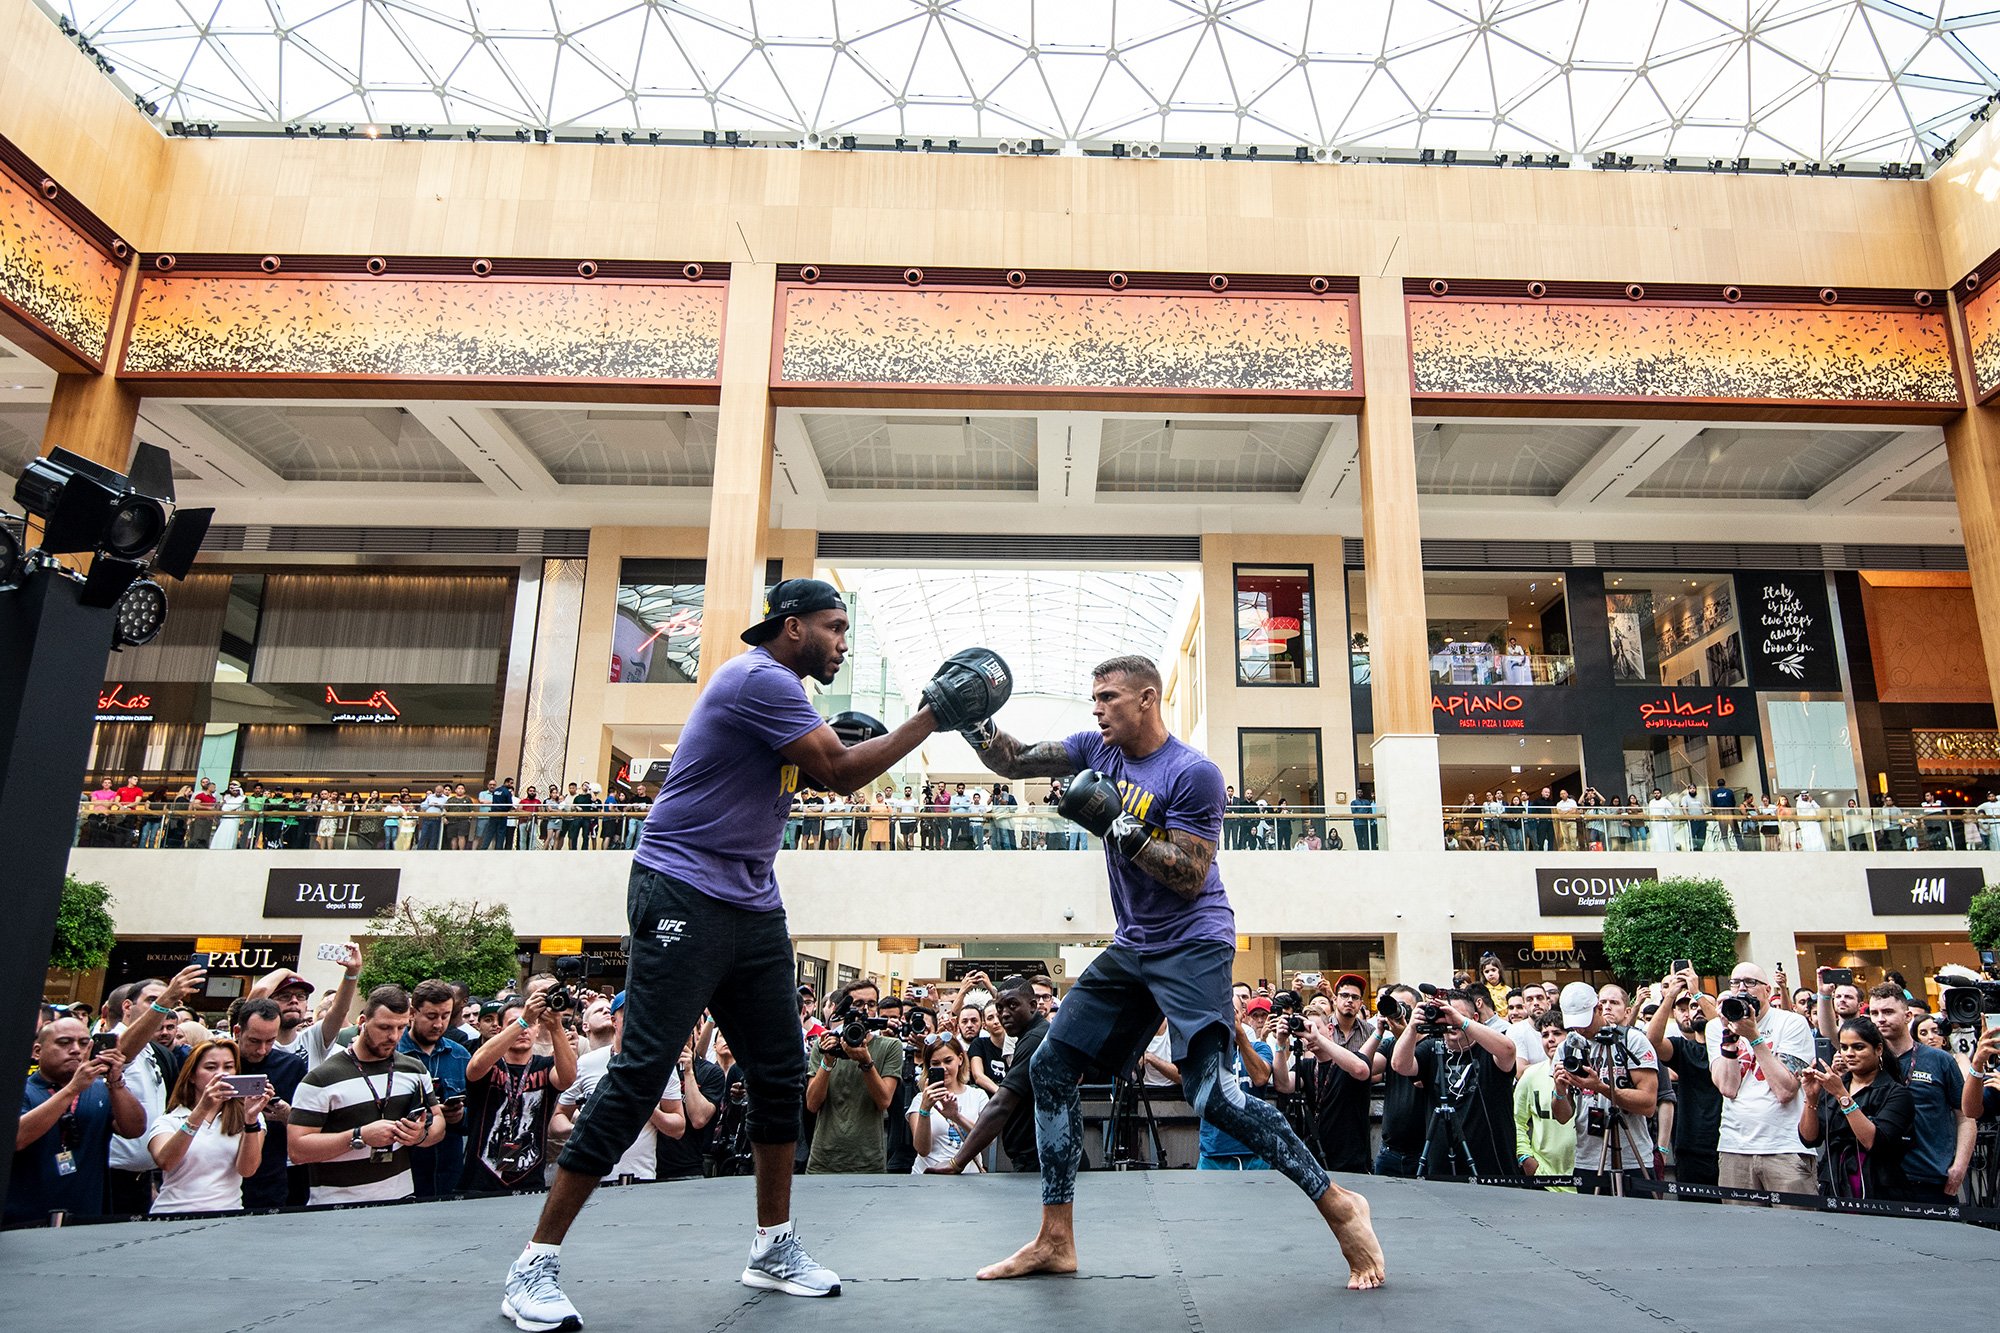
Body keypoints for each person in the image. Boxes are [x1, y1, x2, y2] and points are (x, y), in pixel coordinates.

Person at [498, 579, 1007, 1331]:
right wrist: (930, 715)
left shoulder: (785, 695)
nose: (843, 641)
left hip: (752, 903)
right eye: (834, 628)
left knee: (776, 1075)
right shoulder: (758, 678)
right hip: (680, 890)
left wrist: (858, 739)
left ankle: (773, 1247)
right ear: (791, 626)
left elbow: (817, 772)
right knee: (640, 1072)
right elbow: (838, 770)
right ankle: (532, 1264)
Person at [962, 654, 1384, 1291]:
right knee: (1048, 1064)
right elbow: (1014, 760)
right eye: (1093, 699)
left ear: (1148, 700)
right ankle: (1055, 1237)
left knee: (1213, 1094)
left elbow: (1189, 877)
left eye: (1107, 698)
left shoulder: (1193, 773)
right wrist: (971, 720)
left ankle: (1338, 1205)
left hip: (1193, 940)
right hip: (1132, 946)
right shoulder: (1092, 748)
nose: (1096, 709)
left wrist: (1116, 824)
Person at [287, 985, 443, 1206]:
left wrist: (420, 1136)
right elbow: (297, 1150)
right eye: (384, 1027)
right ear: (362, 1022)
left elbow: (438, 1123)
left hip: (400, 1198)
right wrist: (359, 1136)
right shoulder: (321, 1078)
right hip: (335, 1205)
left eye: (401, 1027)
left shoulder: (414, 1069)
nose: (394, 1036)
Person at [8, 1017, 143, 1224]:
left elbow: (134, 1129)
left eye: (84, 1043)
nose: (75, 1050)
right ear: (37, 1052)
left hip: (85, 1214)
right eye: (64, 1043)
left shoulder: (102, 1089)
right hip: (23, 1215)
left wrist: (116, 1082)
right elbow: (17, 1139)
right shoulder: (20, 1091)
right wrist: (73, 1089)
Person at [1709, 964, 1817, 1195]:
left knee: (1796, 1226)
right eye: (1735, 983)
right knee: (1744, 1227)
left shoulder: (1791, 1023)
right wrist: (1729, 1036)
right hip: (1734, 1146)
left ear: (1767, 990)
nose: (1742, 989)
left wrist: (1754, 1037)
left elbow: (1786, 1091)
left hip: (1784, 1147)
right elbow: (1728, 1088)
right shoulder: (1716, 1027)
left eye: (1750, 982)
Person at [1389, 987, 1519, 1179]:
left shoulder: (1489, 1048)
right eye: (1445, 1016)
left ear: (1475, 1018)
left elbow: (1508, 1050)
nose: (1450, 1023)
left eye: (1457, 1016)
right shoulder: (1433, 1048)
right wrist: (1411, 1027)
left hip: (1492, 1165)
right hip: (1442, 1166)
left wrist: (1462, 1022)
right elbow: (1399, 1065)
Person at [926, 974, 1049, 1176]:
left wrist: (957, 1162)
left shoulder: (1034, 1040)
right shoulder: (1031, 1036)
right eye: (999, 1008)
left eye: (1013, 1005)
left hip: (1040, 1158)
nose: (1004, 1014)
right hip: (1037, 1155)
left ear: (1033, 1006)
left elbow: (1002, 1104)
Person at [556, 992, 683, 1183]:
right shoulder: (587, 1062)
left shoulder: (661, 1065)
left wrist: (643, 1106)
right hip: (588, 1179)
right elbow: (557, 1120)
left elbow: (678, 1128)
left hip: (640, 1177)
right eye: (628, 1013)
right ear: (614, 1020)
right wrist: (581, 1128)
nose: (636, 1019)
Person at [1550, 982, 1659, 1195]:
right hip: (1588, 1159)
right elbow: (1562, 1117)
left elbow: (1648, 1104)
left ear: (1598, 1008)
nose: (1579, 1029)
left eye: (1584, 1021)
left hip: (1632, 1158)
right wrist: (1559, 1090)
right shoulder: (1567, 1047)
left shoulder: (1631, 1040)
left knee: (1643, 1224)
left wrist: (1600, 1087)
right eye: (1574, 1023)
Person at [1865, 983, 1971, 1203]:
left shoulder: (1939, 1059)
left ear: (1908, 1015)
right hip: (1880, 1178)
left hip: (1931, 1177)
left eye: (1888, 1012)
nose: (1880, 1019)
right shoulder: (1866, 1061)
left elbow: (1965, 1116)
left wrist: (1960, 1165)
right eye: (1874, 1013)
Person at [463, 993, 578, 1193]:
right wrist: (524, 1020)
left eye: (531, 1024)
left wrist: (556, 1026)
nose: (524, 1030)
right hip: (480, 1180)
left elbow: (567, 1078)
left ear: (537, 1029)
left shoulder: (545, 1066)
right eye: (514, 1023)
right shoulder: (491, 1063)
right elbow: (475, 1067)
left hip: (530, 1178)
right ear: (500, 1029)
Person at [146, 1038, 271, 1214]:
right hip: (173, 1214)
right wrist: (201, 1110)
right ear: (191, 1076)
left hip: (227, 1215)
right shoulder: (169, 1120)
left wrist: (251, 1120)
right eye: (211, 1067)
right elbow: (166, 1161)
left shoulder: (250, 1116)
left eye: (228, 1067)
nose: (221, 1074)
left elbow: (247, 1170)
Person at [1797, 1016, 1914, 1198]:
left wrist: (1843, 1096)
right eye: (1844, 1047)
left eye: (1858, 1047)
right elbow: (1810, 1139)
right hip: (1834, 1184)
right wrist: (1811, 1097)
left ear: (1878, 1049)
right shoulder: (1834, 1087)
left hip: (1879, 1187)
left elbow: (1873, 1142)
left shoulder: (1896, 1093)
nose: (1849, 1053)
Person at [804, 979, 903, 1173]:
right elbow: (812, 1104)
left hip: (868, 1162)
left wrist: (866, 1062)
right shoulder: (824, 1045)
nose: (865, 1010)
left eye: (871, 1004)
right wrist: (829, 1059)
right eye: (858, 1004)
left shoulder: (890, 1046)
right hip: (823, 1161)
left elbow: (884, 1101)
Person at [227, 996, 308, 1209]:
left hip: (269, 1178)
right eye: (254, 1041)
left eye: (270, 1041)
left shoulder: (292, 1066)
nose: (262, 1050)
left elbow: (305, 1127)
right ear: (237, 1032)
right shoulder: (220, 1063)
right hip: (219, 1176)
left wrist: (287, 1115)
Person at [1645, 971, 1722, 1185]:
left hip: (1728, 1146)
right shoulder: (1683, 1048)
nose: (1697, 1009)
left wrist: (1697, 993)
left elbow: (1724, 1030)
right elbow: (1652, 1041)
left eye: (1703, 1005)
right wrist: (1670, 996)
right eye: (1693, 1006)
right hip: (1690, 1147)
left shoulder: (1732, 1049)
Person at [400, 979, 472, 1198]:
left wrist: (459, 1116)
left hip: (449, 1167)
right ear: (413, 1013)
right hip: (404, 1169)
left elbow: (477, 1115)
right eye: (431, 1016)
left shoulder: (461, 1055)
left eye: (445, 1016)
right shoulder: (392, 1053)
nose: (439, 1024)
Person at [907, 1034, 987, 1173]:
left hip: (970, 1182)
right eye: (936, 1064)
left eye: (948, 1061)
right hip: (928, 1178)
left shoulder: (977, 1096)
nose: (943, 1068)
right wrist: (925, 1109)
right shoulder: (921, 1099)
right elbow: (922, 1149)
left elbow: (987, 1140)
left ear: (960, 1059)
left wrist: (956, 1117)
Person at [1514, 1013, 1576, 1189]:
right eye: (1545, 1035)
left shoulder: (1588, 1074)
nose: (1551, 1040)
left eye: (1557, 1033)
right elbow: (1517, 1121)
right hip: (1543, 1176)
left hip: (1585, 1173)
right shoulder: (1530, 1075)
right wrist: (1525, 1157)